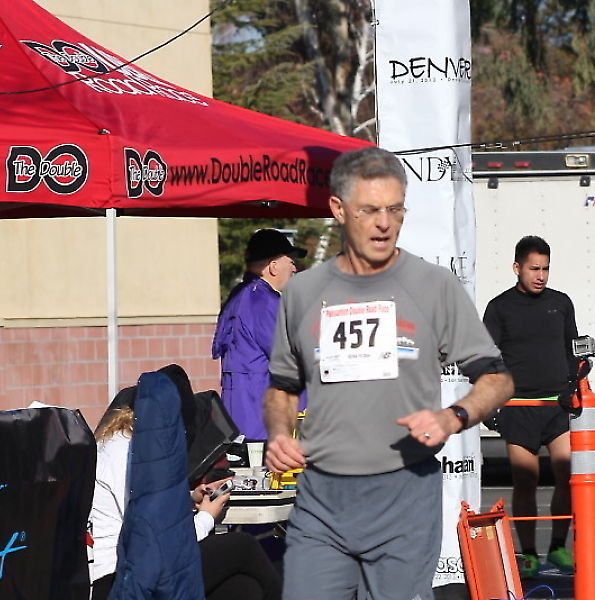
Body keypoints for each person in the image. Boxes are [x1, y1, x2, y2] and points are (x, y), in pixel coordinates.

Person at [263, 146, 514, 600]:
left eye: (395, 210)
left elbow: (497, 379)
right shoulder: (302, 292)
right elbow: (282, 387)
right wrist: (279, 433)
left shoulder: (433, 286)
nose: (384, 223)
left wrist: (452, 416)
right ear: (338, 209)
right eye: (370, 210)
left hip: (403, 496)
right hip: (322, 499)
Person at [91, 383, 282, 600]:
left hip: (128, 573)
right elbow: (163, 542)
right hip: (116, 580)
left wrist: (189, 498)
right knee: (243, 547)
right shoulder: (129, 456)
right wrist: (206, 517)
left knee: (242, 589)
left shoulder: (118, 444)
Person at [483, 235, 577, 578]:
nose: (541, 276)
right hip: (518, 407)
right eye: (534, 268)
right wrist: (491, 405)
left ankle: (558, 548)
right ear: (516, 268)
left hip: (557, 408)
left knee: (568, 477)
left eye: (545, 269)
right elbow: (485, 358)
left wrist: (573, 385)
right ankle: (529, 555)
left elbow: (573, 351)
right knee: (526, 481)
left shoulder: (561, 303)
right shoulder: (499, 307)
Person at [212, 228, 307, 440]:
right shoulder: (266, 302)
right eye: (291, 261)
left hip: (238, 418)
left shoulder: (239, 295)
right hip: (262, 422)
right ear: (273, 266)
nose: (294, 268)